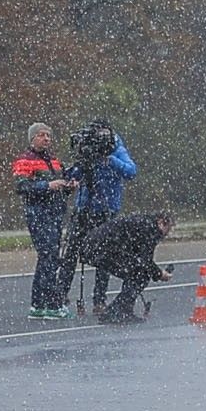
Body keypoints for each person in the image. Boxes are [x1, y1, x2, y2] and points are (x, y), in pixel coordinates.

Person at [12, 122, 81, 320]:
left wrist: (69, 186)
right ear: (32, 138)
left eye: (48, 136)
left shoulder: (55, 160)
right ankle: (51, 302)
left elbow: (61, 185)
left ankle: (38, 303)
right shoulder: (25, 160)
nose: (46, 139)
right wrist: (46, 185)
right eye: (42, 135)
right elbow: (21, 186)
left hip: (56, 213)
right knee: (49, 256)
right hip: (39, 214)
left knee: (48, 257)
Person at [70, 121, 137, 319]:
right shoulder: (87, 146)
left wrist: (111, 161)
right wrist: (80, 165)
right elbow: (75, 173)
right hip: (85, 207)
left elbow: (131, 171)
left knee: (103, 256)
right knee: (72, 252)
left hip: (107, 208)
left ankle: (99, 299)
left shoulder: (116, 148)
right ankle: (60, 298)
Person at [81, 208, 176, 322]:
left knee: (136, 271)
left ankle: (122, 310)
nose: (167, 233)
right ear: (160, 222)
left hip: (96, 246)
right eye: (168, 228)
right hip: (102, 249)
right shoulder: (150, 229)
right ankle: (118, 311)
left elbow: (141, 258)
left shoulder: (144, 223)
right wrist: (159, 274)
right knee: (141, 274)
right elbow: (145, 260)